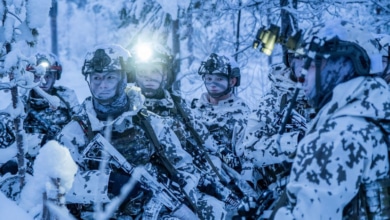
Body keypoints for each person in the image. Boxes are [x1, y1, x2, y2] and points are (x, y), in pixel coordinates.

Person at [56, 44, 200, 219]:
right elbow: (57, 184)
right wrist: (109, 182)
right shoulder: (75, 131)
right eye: (96, 78)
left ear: (124, 78)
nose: (102, 85)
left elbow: (185, 167)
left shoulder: (152, 124)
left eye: (110, 77)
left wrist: (176, 186)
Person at [273, 20, 390, 219]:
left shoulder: (336, 137)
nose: (302, 76)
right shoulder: (376, 117)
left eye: (312, 64)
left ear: (342, 66)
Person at [132, 43, 241, 219]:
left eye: (154, 71)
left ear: (165, 74)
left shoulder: (180, 107)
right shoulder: (129, 109)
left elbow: (207, 146)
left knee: (218, 210)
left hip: (186, 183)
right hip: (143, 191)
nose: (148, 77)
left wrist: (208, 179)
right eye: (142, 72)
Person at [237, 53, 314, 217]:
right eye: (298, 58)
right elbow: (250, 149)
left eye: (310, 59)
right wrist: (297, 141)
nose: (304, 64)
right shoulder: (272, 101)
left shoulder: (328, 94)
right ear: (289, 61)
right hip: (283, 187)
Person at [190, 53, 257, 204]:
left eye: (219, 79)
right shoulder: (193, 110)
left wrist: (246, 184)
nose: (212, 84)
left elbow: (248, 155)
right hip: (195, 181)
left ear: (232, 81)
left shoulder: (243, 114)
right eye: (208, 79)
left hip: (227, 188)